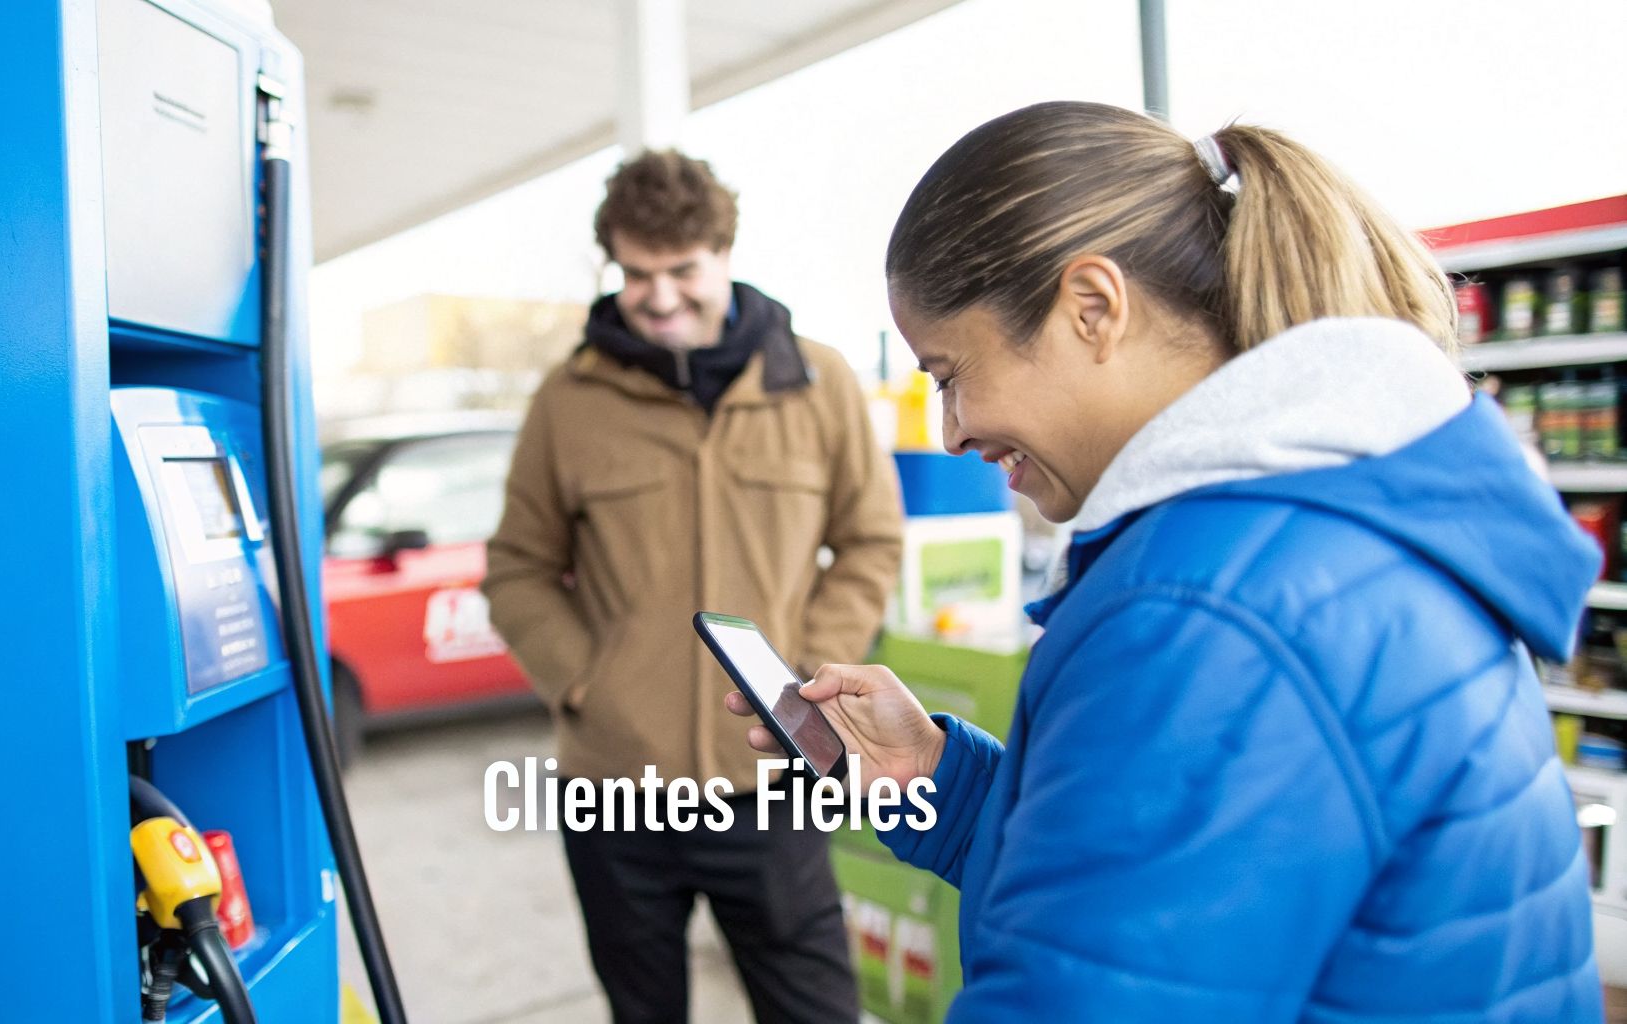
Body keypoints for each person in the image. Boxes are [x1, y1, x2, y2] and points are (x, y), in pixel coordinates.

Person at [728, 101, 1603, 1021]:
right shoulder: (1312, 533)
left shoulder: (1212, 614)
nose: (951, 432)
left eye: (949, 374)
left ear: (1094, 309)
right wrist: (938, 785)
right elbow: (1163, 889)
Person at [483, 149, 904, 1024]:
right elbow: (518, 567)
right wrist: (587, 686)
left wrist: (805, 680)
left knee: (816, 1008)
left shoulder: (818, 384)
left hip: (772, 778)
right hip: (613, 793)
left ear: (724, 253)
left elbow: (868, 544)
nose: (661, 295)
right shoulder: (569, 399)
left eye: (683, 270)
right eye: (637, 274)